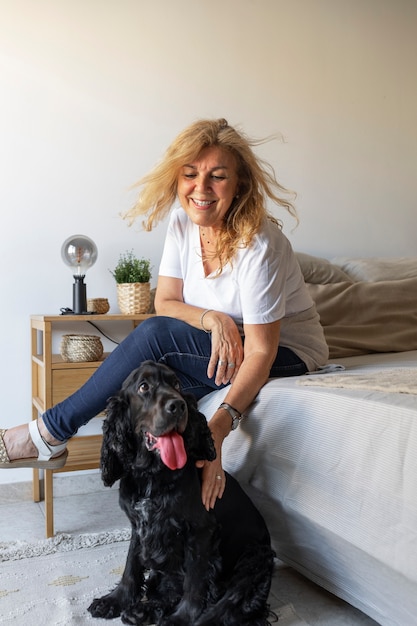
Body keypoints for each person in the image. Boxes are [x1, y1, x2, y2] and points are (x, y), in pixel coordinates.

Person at [0, 118, 328, 510]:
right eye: (190, 174)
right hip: (222, 339)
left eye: (217, 177)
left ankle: (47, 434)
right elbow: (166, 301)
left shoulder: (259, 245)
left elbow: (260, 351)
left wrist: (220, 427)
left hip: (288, 351)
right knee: (153, 369)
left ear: (239, 183)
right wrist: (213, 318)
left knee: (156, 337)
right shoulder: (181, 222)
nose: (201, 188)